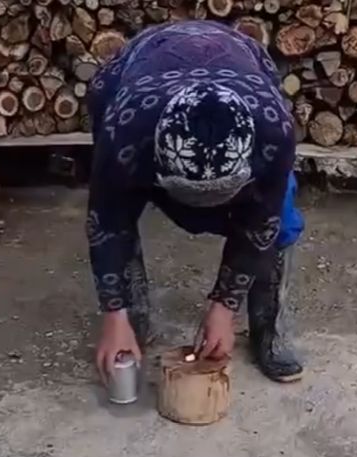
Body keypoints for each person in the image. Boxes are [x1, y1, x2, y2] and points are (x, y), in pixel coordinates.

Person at [85, 20, 305, 384]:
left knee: (280, 214)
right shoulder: (123, 128)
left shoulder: (275, 129)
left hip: (238, 58)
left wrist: (224, 308)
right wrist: (113, 314)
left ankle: (270, 326)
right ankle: (130, 315)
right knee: (119, 203)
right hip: (146, 61)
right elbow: (106, 221)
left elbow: (260, 222)